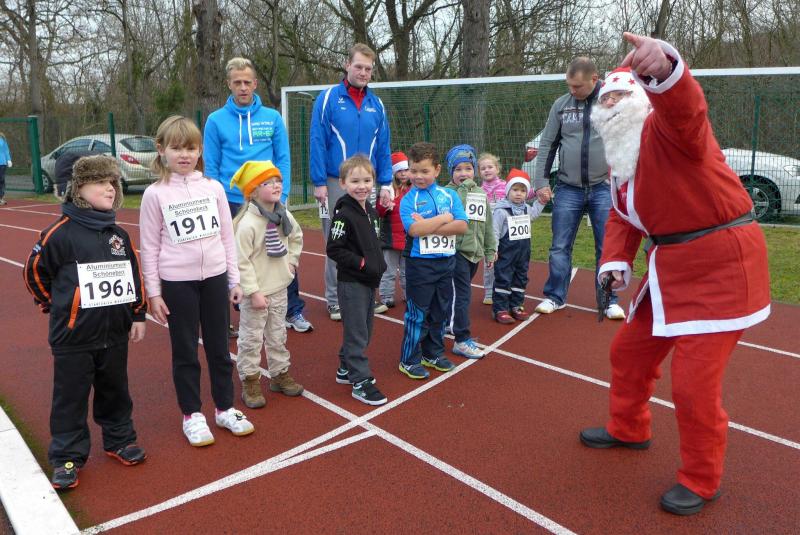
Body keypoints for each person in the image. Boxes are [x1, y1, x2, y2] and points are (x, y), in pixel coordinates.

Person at [578, 34, 771, 516]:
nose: (612, 104)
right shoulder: (622, 160)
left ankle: (702, 479)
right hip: (670, 267)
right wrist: (614, 261)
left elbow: (687, 111)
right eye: (606, 98)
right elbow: (623, 215)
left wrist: (664, 69)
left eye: (621, 95)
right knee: (628, 352)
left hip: (720, 265)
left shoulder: (672, 132)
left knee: (693, 384)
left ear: (643, 100)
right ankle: (629, 428)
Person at [23, 154, 147, 490]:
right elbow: (34, 272)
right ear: (78, 188)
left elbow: (133, 276)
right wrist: (54, 304)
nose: (110, 188)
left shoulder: (118, 234)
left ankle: (120, 440)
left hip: (114, 334)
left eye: (113, 183)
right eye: (100, 182)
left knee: (116, 391)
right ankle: (67, 456)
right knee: (70, 398)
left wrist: (137, 314)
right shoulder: (58, 234)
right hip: (74, 337)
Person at [139, 116, 254, 447]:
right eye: (176, 148)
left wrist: (234, 279)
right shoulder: (154, 195)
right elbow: (149, 246)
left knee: (220, 348)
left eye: (190, 148)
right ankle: (191, 414)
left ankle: (225, 408)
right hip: (177, 283)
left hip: (215, 278)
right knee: (186, 350)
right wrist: (154, 293)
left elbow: (227, 237)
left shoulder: (213, 188)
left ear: (200, 150)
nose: (184, 155)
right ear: (161, 150)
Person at [203, 57, 313, 334]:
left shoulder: (272, 117)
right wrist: (216, 200)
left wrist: (282, 194)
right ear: (229, 84)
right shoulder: (215, 121)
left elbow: (283, 157)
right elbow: (211, 165)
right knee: (237, 256)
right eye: (237, 82)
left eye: (247, 82)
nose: (242, 87)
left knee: (280, 251)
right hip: (232, 199)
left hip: (269, 199)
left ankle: (292, 310)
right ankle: (243, 311)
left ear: (255, 84)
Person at [532, 57, 625, 320]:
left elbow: (629, 140)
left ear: (595, 79)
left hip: (603, 188)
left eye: (577, 86)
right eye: (569, 85)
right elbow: (547, 144)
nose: (572, 90)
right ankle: (555, 296)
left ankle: (608, 300)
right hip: (568, 188)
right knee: (559, 246)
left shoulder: (613, 103)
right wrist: (541, 182)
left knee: (606, 247)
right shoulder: (561, 105)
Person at [310, 43, 393, 321]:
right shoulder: (328, 98)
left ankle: (367, 292)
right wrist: (319, 181)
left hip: (367, 183)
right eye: (358, 66)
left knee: (368, 238)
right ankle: (335, 299)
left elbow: (383, 145)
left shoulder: (377, 104)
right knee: (337, 238)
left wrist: (386, 182)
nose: (363, 72)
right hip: (335, 181)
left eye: (368, 69)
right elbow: (317, 140)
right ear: (347, 65)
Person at [230, 161, 305, 408]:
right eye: (267, 182)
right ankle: (250, 380)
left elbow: (296, 237)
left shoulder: (284, 215)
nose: (276, 186)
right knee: (251, 339)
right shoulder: (247, 224)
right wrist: (253, 292)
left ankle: (279, 374)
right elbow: (241, 262)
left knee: (277, 335)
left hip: (279, 287)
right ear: (253, 191)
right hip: (257, 294)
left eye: (278, 181)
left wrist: (292, 261)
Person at [398, 142, 468, 380]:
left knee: (440, 312)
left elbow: (462, 225)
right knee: (417, 314)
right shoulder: (408, 200)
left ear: (437, 170)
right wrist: (445, 219)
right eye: (413, 170)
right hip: (420, 265)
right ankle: (409, 359)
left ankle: (433, 353)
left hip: (446, 263)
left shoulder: (449, 195)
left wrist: (430, 224)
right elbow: (415, 230)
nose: (418, 176)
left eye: (424, 171)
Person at [326, 155, 389, 405]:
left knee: (364, 329)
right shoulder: (344, 215)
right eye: (355, 181)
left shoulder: (371, 211)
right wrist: (362, 263)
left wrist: (377, 264)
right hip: (352, 282)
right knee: (357, 333)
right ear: (343, 183)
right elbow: (334, 249)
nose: (361, 186)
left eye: (366, 180)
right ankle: (360, 381)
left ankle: (345, 366)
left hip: (369, 281)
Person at [444, 144, 496, 358]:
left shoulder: (481, 193)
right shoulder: (447, 193)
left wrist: (490, 250)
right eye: (458, 169)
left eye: (468, 168)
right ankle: (461, 339)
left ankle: (448, 323)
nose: (463, 173)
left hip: (474, 254)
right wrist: (465, 188)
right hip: (456, 252)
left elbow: (487, 224)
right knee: (463, 295)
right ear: (450, 172)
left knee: (454, 293)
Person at [491, 169, 545, 324]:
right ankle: (500, 309)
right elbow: (494, 231)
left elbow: (534, 214)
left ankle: (516, 305)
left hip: (523, 252)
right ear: (508, 191)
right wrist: (493, 249)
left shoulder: (526, 208)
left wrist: (541, 202)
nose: (518, 194)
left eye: (522, 191)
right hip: (506, 252)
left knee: (520, 278)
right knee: (503, 278)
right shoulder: (501, 210)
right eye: (515, 190)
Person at [376, 151, 412, 308]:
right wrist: (386, 207)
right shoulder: (388, 190)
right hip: (390, 240)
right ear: (393, 172)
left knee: (407, 271)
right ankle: (386, 295)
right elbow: (379, 211)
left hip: (408, 238)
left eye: (406, 170)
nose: (403, 174)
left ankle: (409, 294)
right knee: (389, 271)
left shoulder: (413, 189)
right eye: (399, 170)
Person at [477, 153, 505, 305]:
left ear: (497, 169)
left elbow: (523, 192)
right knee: (489, 264)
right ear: (479, 172)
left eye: (490, 167)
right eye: (483, 168)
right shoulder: (478, 191)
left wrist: (537, 191)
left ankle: (504, 290)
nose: (487, 170)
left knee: (505, 262)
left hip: (505, 233)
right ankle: (488, 292)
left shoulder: (506, 186)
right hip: (488, 235)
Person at [0, 131, 11, 205]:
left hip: (2, 163)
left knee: (1, 180)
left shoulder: (2, 139)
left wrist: (9, 159)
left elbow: (6, 150)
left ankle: (1, 197)